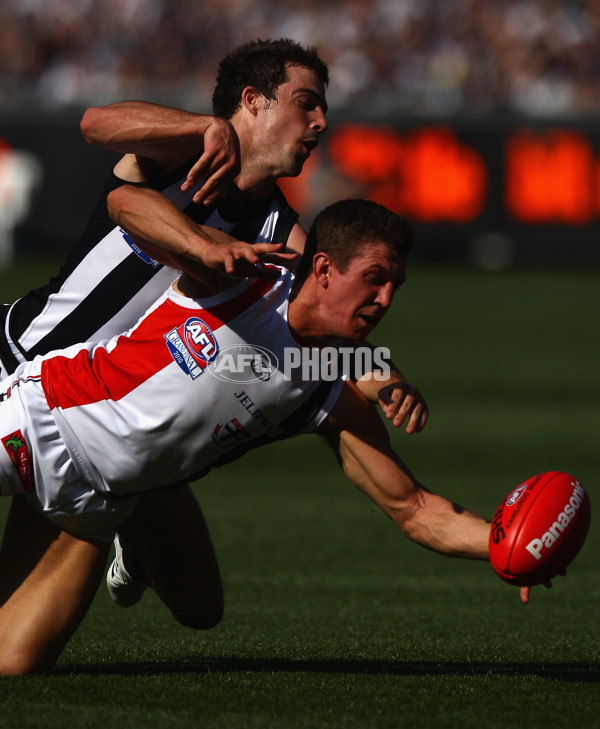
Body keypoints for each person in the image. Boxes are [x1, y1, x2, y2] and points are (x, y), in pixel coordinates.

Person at [0, 40, 428, 667]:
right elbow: (96, 124)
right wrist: (205, 127)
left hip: (112, 424)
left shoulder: (286, 235)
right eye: (306, 104)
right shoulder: (181, 156)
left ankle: (127, 531)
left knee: (199, 606)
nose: (320, 123)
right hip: (21, 364)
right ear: (253, 102)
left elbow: (326, 337)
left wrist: (383, 375)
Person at [0, 196, 489, 676]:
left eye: (394, 286)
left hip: (97, 503)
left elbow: (417, 510)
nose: (384, 299)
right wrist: (201, 244)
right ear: (323, 270)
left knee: (16, 665)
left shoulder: (327, 391)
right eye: (374, 279)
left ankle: (137, 531)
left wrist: (509, 546)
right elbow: (123, 203)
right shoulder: (243, 279)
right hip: (45, 421)